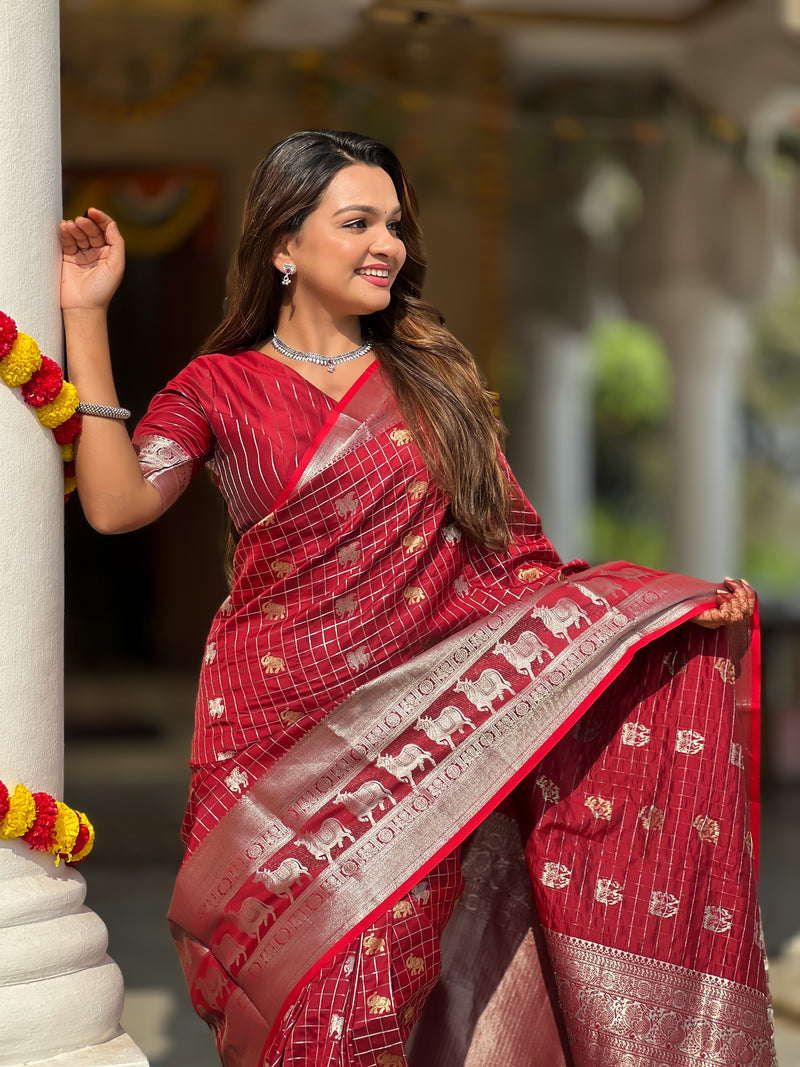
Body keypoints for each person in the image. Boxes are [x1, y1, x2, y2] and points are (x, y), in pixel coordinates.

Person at [60, 130, 773, 1067]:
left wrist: (662, 615)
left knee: (367, 1012)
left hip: (411, 761)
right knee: (280, 1010)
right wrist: (86, 318)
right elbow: (115, 504)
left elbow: (518, 566)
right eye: (356, 221)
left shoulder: (433, 384)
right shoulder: (219, 386)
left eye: (393, 224)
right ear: (284, 244)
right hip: (262, 747)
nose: (383, 244)